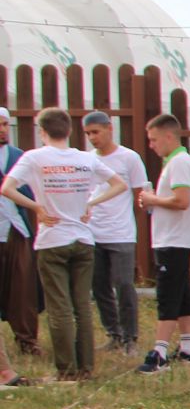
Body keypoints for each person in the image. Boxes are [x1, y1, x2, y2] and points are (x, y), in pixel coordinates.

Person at [0, 108, 129, 380]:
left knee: (59, 308)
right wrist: (89, 204)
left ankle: (66, 370)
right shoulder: (85, 159)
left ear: (42, 131)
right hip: (83, 239)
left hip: (52, 239)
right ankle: (86, 368)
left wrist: (37, 207)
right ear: (70, 131)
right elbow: (119, 184)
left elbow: (7, 188)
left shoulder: (34, 157)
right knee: (82, 305)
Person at [135, 114, 190, 373]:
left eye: (154, 139)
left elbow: (181, 200)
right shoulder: (178, 162)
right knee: (182, 293)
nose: (151, 145)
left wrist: (152, 199)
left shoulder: (178, 164)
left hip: (174, 239)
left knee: (168, 295)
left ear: (168, 136)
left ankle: (160, 352)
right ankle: (188, 348)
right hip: (178, 238)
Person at [81, 111, 151, 355]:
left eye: (96, 132)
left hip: (121, 232)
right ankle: (114, 333)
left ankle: (131, 337)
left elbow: (139, 194)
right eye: (88, 134)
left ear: (109, 129)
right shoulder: (88, 159)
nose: (92, 138)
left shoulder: (129, 158)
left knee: (123, 284)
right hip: (93, 232)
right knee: (99, 285)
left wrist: (132, 222)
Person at [0, 107, 41, 358]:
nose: (2, 129)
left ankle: (27, 340)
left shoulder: (19, 157)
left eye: (5, 124)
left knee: (22, 287)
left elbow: (31, 192)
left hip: (16, 230)